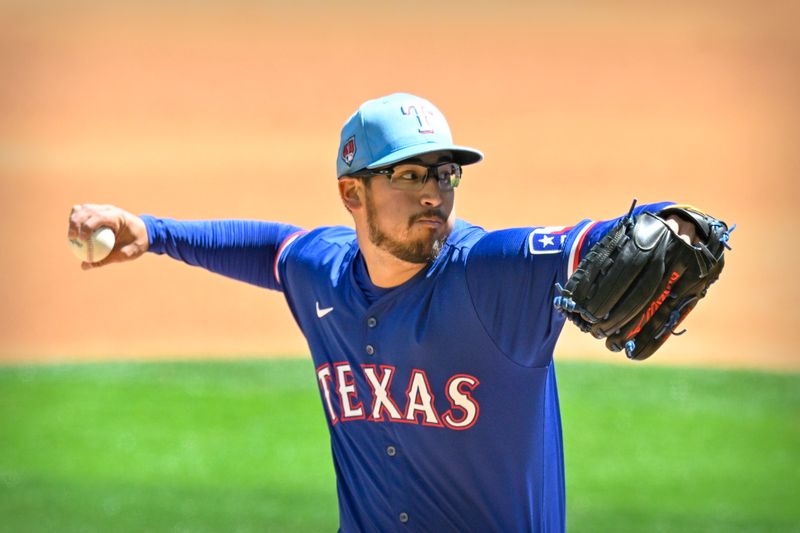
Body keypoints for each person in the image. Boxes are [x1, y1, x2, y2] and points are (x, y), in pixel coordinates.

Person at [68, 93, 701, 532]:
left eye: (445, 174)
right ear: (352, 192)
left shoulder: (492, 275)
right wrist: (152, 232)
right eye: (408, 175)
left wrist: (677, 227)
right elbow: (271, 249)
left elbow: (604, 240)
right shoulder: (324, 273)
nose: (434, 193)